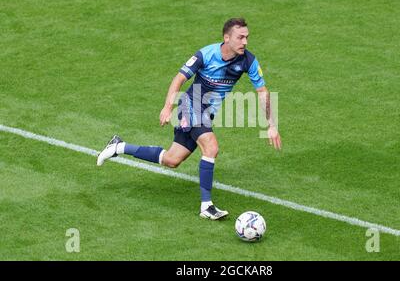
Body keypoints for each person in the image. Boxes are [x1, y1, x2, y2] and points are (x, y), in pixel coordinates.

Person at [97, 18, 281, 220]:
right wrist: (168, 107)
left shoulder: (248, 61)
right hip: (190, 106)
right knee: (211, 147)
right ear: (226, 38)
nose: (245, 42)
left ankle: (119, 146)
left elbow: (262, 92)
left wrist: (271, 125)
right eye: (240, 37)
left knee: (171, 160)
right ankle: (206, 207)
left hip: (206, 114)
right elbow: (179, 78)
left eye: (247, 37)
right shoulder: (206, 54)